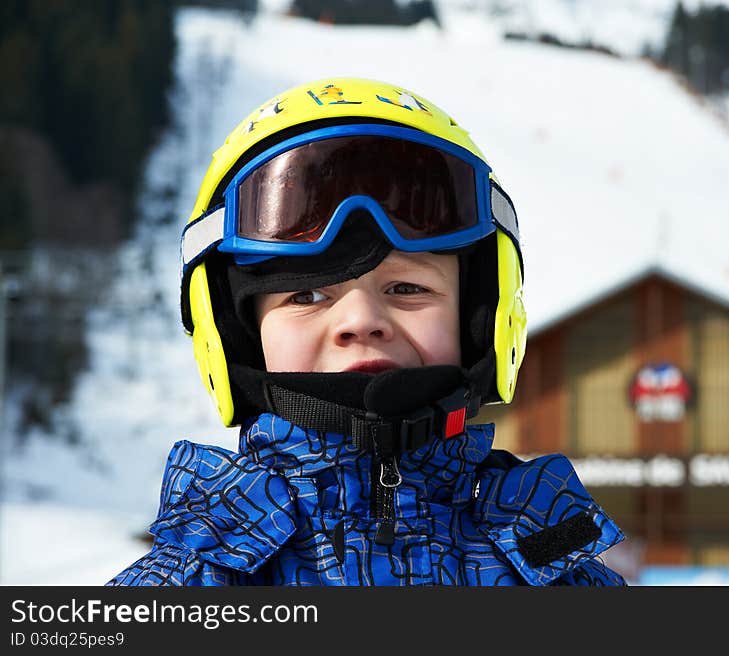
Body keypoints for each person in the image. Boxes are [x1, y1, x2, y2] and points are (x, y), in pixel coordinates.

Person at [107, 77, 626, 586]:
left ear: (483, 319)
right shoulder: (188, 584)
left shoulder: (554, 563)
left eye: (406, 289)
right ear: (232, 334)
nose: (361, 322)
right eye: (306, 296)